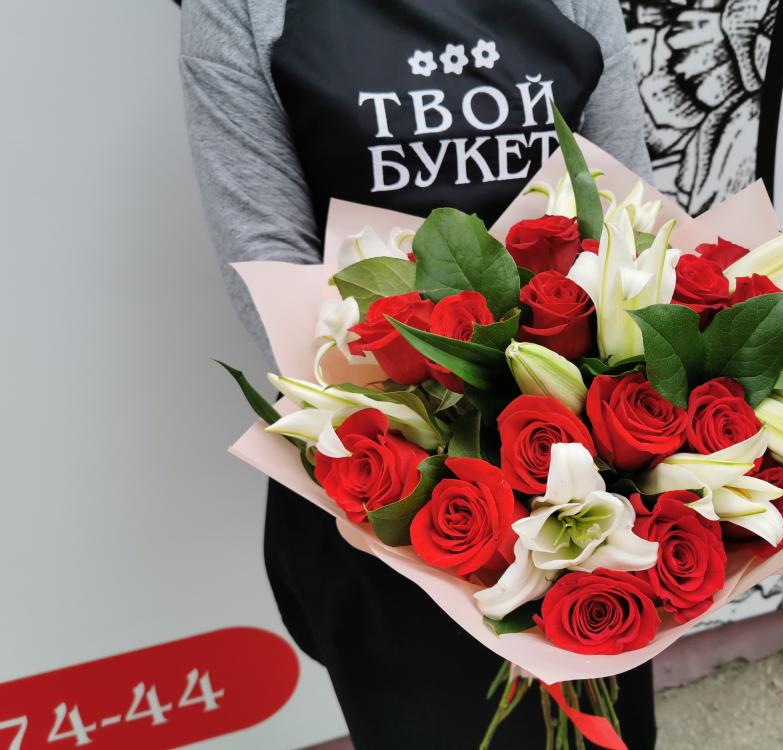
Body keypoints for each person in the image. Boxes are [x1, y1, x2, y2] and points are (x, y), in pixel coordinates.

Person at [181, 1, 656, 747]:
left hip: (587, 469)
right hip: (387, 476)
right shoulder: (241, 10)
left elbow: (625, 215)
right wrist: (465, 470)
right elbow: (271, 268)